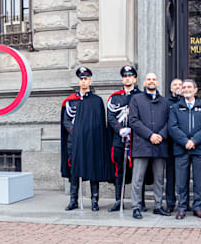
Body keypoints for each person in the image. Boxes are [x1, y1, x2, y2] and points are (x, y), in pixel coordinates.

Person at [60, 67, 113, 211]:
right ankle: (73, 200)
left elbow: (100, 123)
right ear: (79, 81)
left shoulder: (97, 101)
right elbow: (66, 121)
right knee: (74, 171)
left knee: (93, 169)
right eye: (81, 79)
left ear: (90, 80)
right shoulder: (71, 101)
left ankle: (94, 200)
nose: (84, 81)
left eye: (86, 79)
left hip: (92, 142)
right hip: (76, 142)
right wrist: (75, 132)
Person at [128, 73, 171, 219]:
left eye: (154, 79)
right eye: (149, 79)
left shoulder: (165, 102)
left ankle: (158, 205)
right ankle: (136, 206)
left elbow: (169, 121)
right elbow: (133, 120)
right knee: (138, 178)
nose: (151, 81)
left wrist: (161, 135)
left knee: (159, 178)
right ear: (144, 82)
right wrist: (150, 135)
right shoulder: (136, 99)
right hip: (142, 144)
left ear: (157, 82)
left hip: (160, 144)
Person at [169, 80, 201, 219]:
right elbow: (172, 127)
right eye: (184, 87)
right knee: (181, 181)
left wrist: (194, 140)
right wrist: (185, 141)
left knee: (198, 181)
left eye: (189, 87)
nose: (186, 89)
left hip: (199, 149)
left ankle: (198, 207)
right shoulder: (175, 108)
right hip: (181, 149)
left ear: (195, 90)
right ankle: (182, 207)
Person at [106, 65, 145, 212]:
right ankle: (119, 200)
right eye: (125, 76)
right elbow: (110, 116)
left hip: (137, 140)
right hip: (119, 139)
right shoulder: (115, 97)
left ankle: (139, 202)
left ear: (135, 78)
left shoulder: (141, 96)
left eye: (130, 76)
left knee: (138, 172)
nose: (127, 78)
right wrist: (119, 129)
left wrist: (133, 130)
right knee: (119, 170)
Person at [165, 78, 184, 213]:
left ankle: (185, 202)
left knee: (183, 176)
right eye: (175, 85)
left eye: (180, 85)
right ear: (171, 89)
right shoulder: (165, 103)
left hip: (184, 144)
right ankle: (170, 202)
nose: (177, 87)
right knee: (171, 175)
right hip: (170, 144)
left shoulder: (187, 102)